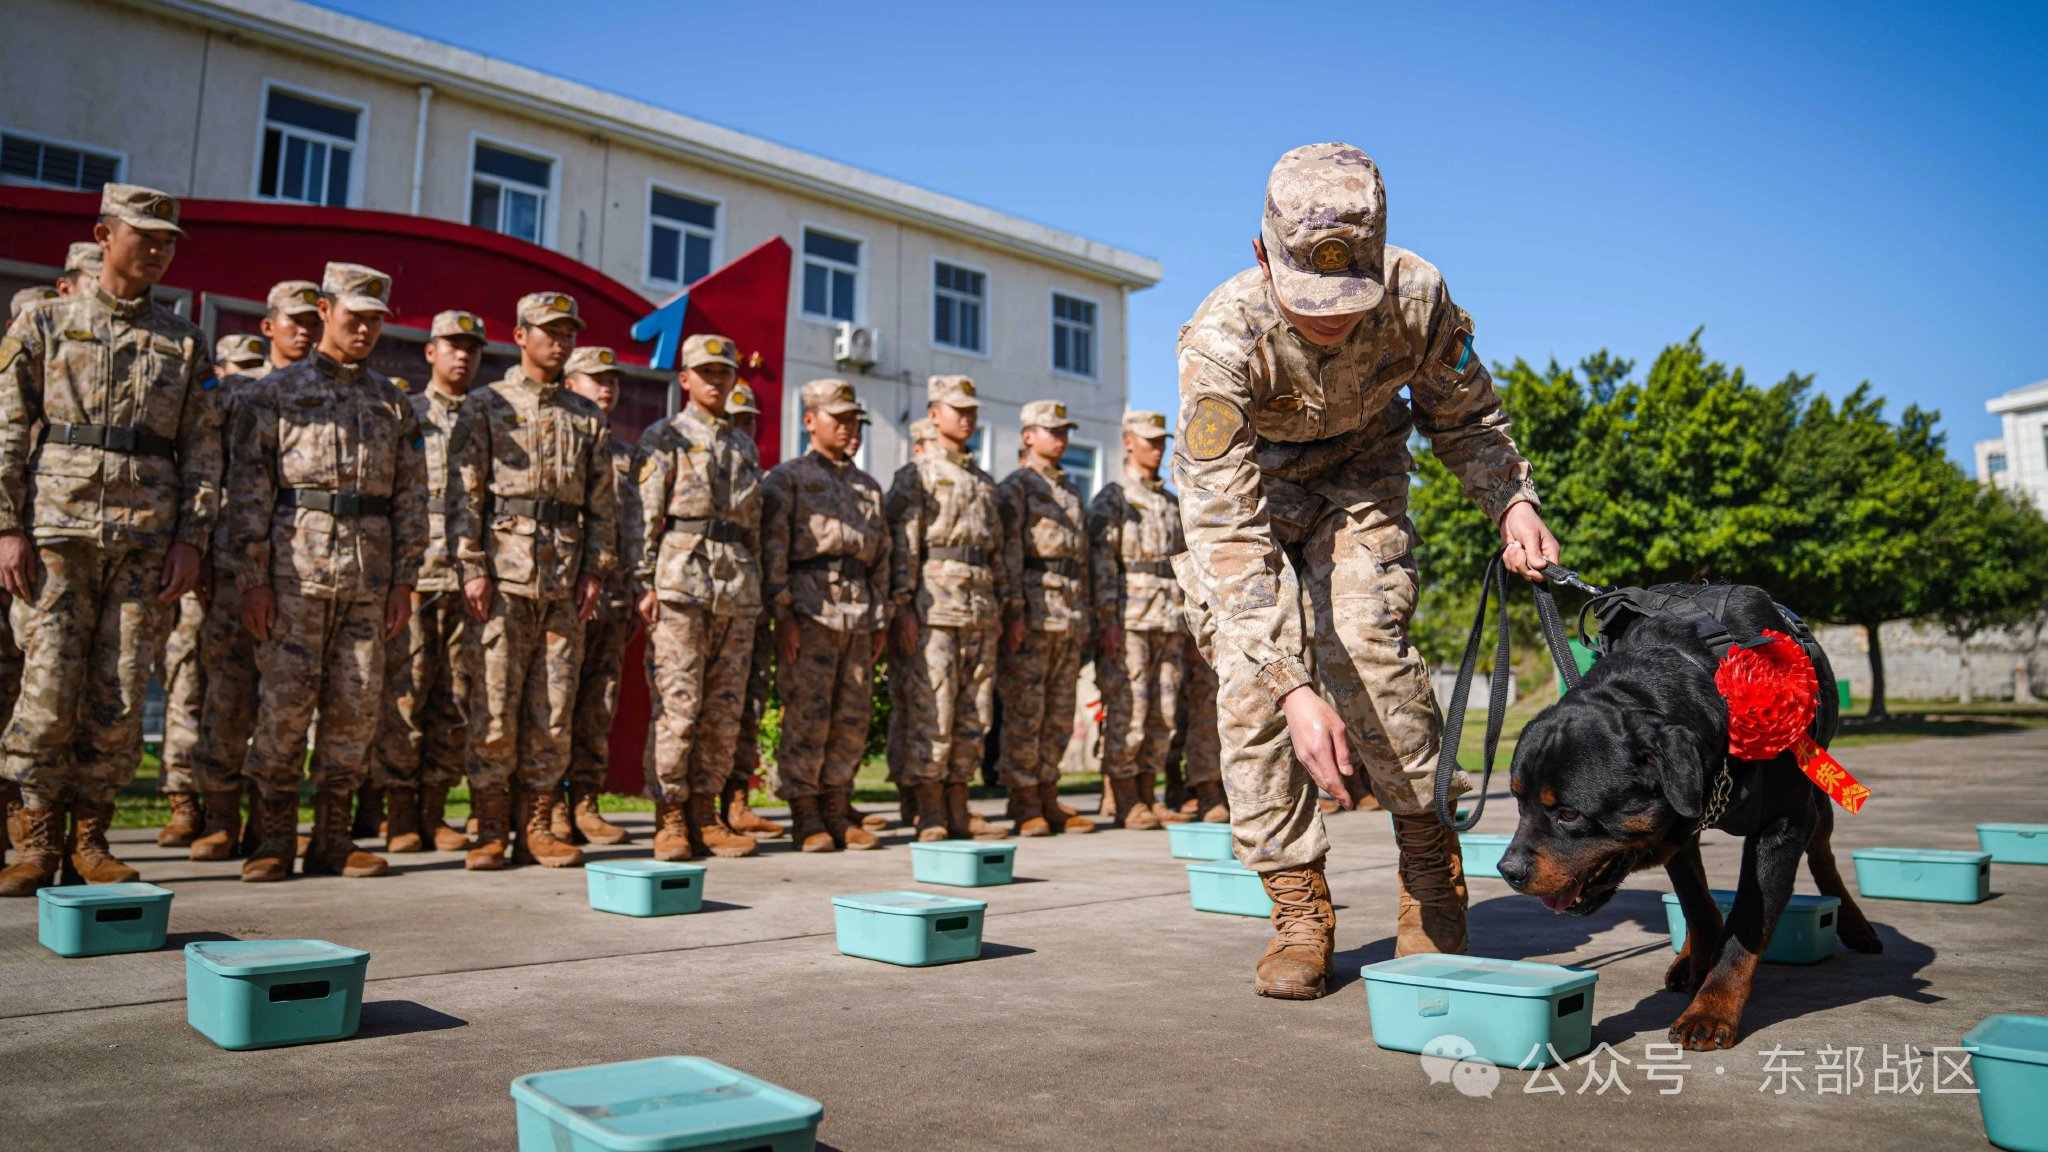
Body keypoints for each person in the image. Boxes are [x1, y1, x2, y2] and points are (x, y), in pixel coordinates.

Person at [1174, 143, 1558, 998]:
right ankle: (1298, 910)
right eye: (1308, 301)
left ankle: (1430, 872)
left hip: (1362, 479)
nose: (1331, 321)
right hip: (1255, 503)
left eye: (1350, 301)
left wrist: (1513, 504)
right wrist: (1288, 682)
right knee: (1251, 686)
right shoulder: (1221, 345)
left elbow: (1467, 419)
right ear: (1261, 253)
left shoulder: (1419, 299)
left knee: (1366, 642)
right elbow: (1225, 531)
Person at [0, 184, 220, 895]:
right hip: (56, 531)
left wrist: (192, 539)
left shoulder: (184, 342)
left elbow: (203, 450)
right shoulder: (45, 323)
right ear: (103, 234)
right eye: (143, 236)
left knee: (121, 690)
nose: (156, 250)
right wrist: (6, 527)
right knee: (47, 685)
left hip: (145, 541)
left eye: (166, 241)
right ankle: (35, 838)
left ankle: (92, 837)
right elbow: (6, 432)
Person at [227, 263, 426, 881]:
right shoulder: (275, 392)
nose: (364, 329)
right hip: (292, 577)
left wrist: (404, 581)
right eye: (354, 316)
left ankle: (333, 838)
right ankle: (274, 837)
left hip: (368, 582)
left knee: (355, 709)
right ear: (324, 310)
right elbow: (249, 491)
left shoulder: (393, 404)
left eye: (375, 320)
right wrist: (252, 577)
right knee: (284, 709)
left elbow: (411, 498)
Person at [452, 291, 616, 870]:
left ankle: (539, 825)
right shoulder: (485, 405)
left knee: (553, 708)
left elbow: (602, 506)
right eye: (549, 330)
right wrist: (471, 565)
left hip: (564, 579)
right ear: (520, 335)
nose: (561, 339)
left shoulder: (587, 416)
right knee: (494, 706)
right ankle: (491, 827)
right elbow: (465, 492)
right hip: (502, 576)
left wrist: (594, 569)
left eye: (568, 330)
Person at [186, 280, 322, 861]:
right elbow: (209, 473)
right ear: (268, 325)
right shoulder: (235, 393)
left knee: (285, 702)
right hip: (229, 567)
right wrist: (202, 552)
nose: (304, 330)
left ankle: (271, 820)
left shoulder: (321, 395)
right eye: (293, 320)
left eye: (312, 320)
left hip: (297, 572)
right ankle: (218, 815)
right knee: (227, 692)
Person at [633, 334, 764, 861]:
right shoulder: (663, 436)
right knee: (678, 705)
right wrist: (643, 581)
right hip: (681, 582)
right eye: (705, 372)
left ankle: (705, 812)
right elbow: (643, 512)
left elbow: (754, 525)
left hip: (736, 587)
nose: (716, 380)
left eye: (724, 372)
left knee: (724, 708)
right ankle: (669, 816)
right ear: (684, 379)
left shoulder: (743, 446)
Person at [369, 309, 487, 854]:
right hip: (414, 575)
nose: (462, 355)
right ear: (430, 352)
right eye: (452, 345)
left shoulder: (490, 417)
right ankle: (398, 813)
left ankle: (436, 810)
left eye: (472, 348)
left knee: (455, 699)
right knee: (404, 696)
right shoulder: (405, 411)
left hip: (470, 578)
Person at [761, 379, 890, 852]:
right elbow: (773, 550)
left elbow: (883, 558)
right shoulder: (787, 479)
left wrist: (882, 616)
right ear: (810, 420)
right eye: (841, 420)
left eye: (856, 421)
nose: (850, 430)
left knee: (852, 717)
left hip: (858, 613)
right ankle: (806, 814)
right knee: (808, 716)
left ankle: (838, 808)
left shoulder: (868, 487)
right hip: (810, 609)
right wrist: (783, 614)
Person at [885, 376, 1009, 842]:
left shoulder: (983, 482)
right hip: (933, 608)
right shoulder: (915, 475)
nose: (967, 417)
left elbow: (996, 551)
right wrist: (902, 607)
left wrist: (998, 606)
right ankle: (931, 808)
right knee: (931, 710)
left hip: (978, 609)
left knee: (974, 712)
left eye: (972, 409)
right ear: (934, 414)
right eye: (957, 409)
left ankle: (960, 803)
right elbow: (903, 547)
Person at [1089, 409, 1202, 830]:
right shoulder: (1113, 499)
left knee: (1164, 712)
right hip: (1129, 618)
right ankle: (1124, 798)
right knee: (1128, 710)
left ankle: (1147, 793)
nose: (1157, 448)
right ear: (1128, 442)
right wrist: (1106, 621)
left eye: (1161, 441)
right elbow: (1102, 565)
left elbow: (1185, 568)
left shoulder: (1170, 504)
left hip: (1169, 619)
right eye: (1149, 440)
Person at [993, 400, 1095, 836]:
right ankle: (1023, 800)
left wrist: (1086, 613)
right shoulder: (1016, 487)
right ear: (1028, 436)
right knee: (1025, 711)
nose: (1061, 438)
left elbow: (1083, 559)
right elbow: (1009, 553)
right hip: (1033, 612)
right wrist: (1014, 610)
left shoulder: (1071, 491)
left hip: (1067, 613)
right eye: (1052, 430)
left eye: (1064, 431)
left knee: (1057, 712)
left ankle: (1048, 793)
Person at [554, 345, 635, 846]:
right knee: (552, 702)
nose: (607, 387)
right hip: (561, 594)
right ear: (569, 384)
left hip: (613, 600)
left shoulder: (626, 454)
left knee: (597, 704)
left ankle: (584, 800)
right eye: (594, 378)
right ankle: (546, 805)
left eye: (613, 380)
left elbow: (636, 529)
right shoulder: (557, 442)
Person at [716, 380, 784, 839]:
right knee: (709, 706)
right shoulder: (706, 477)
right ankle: (699, 803)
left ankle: (736, 799)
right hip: (710, 601)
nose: (743, 428)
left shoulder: (762, 484)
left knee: (748, 704)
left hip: (752, 606)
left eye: (750, 421)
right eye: (735, 419)